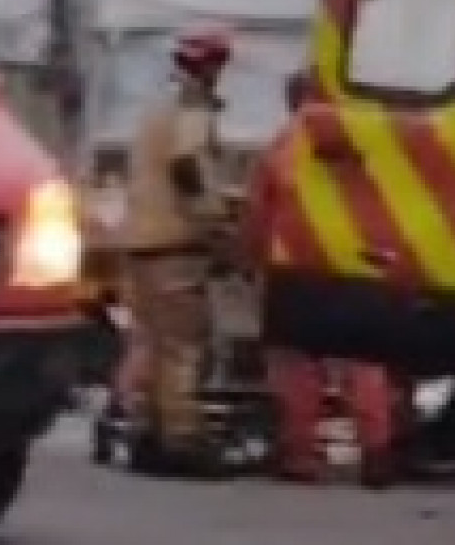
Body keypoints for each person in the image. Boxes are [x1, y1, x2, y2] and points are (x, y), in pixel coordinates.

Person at [264, 69, 396, 485]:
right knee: (364, 361)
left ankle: (301, 455)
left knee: (298, 364)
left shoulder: (283, 148)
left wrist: (250, 257)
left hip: (297, 266)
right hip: (359, 264)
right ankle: (377, 451)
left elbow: (261, 208)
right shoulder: (371, 145)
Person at [120, 28, 235, 473]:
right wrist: (214, 221)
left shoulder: (155, 105)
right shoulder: (192, 105)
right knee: (184, 346)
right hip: (175, 241)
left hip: (141, 241)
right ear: (211, 66)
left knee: (151, 342)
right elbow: (188, 164)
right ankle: (182, 440)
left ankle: (148, 434)